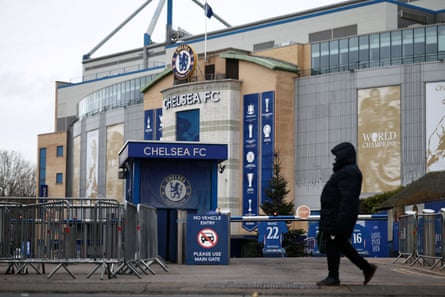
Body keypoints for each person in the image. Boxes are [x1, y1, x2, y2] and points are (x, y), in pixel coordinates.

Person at [317, 142, 377, 286]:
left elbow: (348, 199)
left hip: (337, 217)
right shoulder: (346, 172)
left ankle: (334, 276)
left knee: (334, 244)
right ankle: (366, 268)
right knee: (342, 245)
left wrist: (341, 221)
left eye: (337, 156)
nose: (335, 160)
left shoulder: (348, 173)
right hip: (335, 215)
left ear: (344, 156)